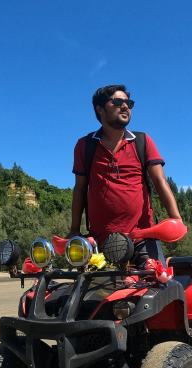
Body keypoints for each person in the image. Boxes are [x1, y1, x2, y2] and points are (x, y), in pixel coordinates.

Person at [70, 84, 182, 266]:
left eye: (129, 103)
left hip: (143, 238)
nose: (125, 107)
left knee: (157, 289)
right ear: (100, 109)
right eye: (117, 102)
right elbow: (80, 189)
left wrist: (175, 218)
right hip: (101, 244)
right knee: (97, 294)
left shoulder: (142, 141)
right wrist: (74, 230)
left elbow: (160, 181)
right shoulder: (85, 146)